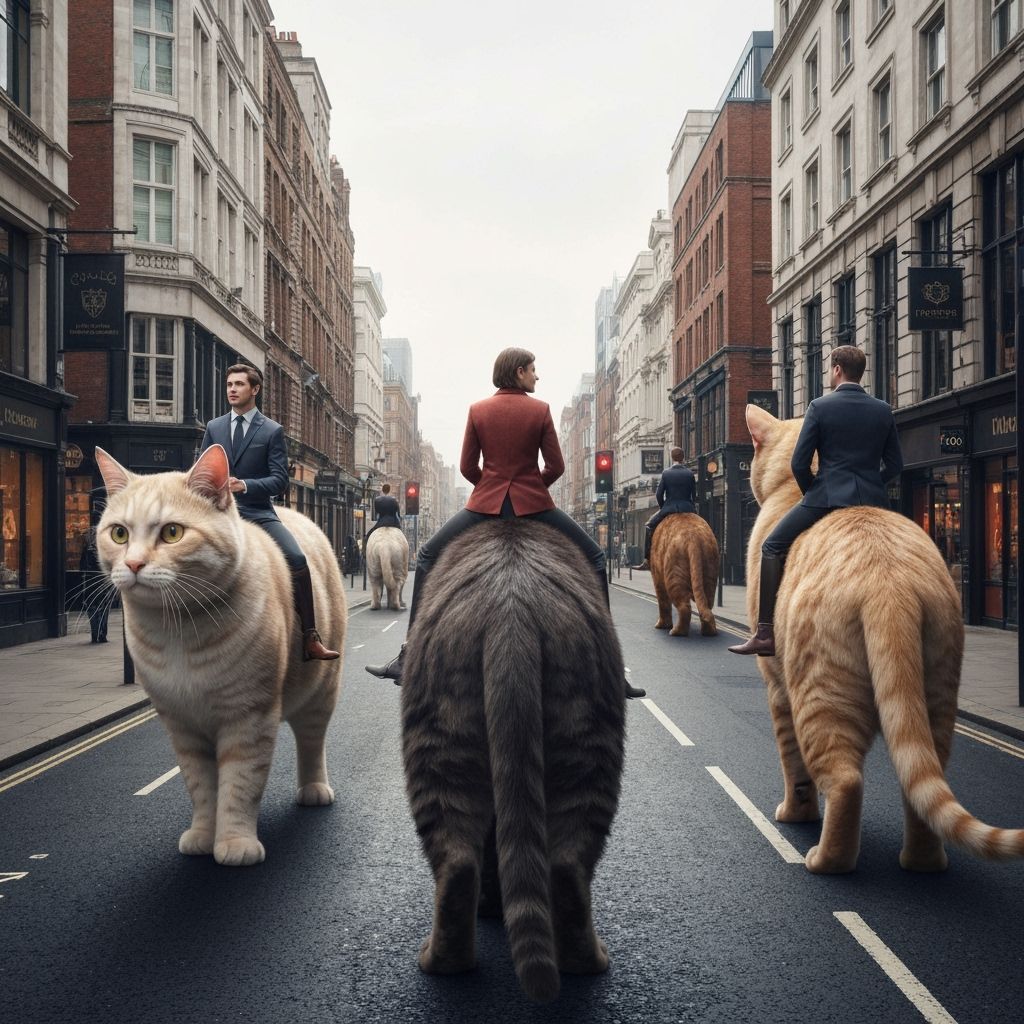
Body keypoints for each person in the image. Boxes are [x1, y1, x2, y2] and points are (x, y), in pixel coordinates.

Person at [366, 347, 646, 699]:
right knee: (596, 558)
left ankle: (408, 656)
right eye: (533, 369)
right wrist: (530, 488)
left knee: (426, 556)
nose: (537, 375)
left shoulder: (478, 410)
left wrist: (492, 487)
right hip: (534, 505)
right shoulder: (540, 410)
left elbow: (467, 467)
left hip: (486, 505)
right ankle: (610, 670)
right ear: (518, 372)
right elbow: (556, 467)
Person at [729, 344, 903, 657]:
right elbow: (895, 465)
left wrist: (815, 491)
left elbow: (799, 463)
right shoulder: (882, 409)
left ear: (837, 369)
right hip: (872, 499)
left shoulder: (820, 407)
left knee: (771, 546)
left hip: (825, 497)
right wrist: (871, 484)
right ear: (860, 372)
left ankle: (765, 633)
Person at [199, 364, 339, 661]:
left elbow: (279, 481)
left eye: (239, 384)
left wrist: (245, 485)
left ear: (255, 389)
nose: (232, 389)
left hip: (258, 511)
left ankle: (311, 637)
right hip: (218, 513)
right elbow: (200, 472)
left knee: (297, 558)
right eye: (229, 384)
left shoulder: (272, 430)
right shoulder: (214, 428)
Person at [632, 447, 697, 570]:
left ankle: (647, 561)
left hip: (669, 508)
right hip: (687, 508)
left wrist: (664, 508)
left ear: (672, 457)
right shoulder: (689, 474)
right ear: (683, 458)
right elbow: (694, 495)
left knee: (649, 526)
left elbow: (659, 494)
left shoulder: (666, 473)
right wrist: (691, 506)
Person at [79, 527, 110, 643]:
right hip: (102, 580)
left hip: (89, 581)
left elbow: (82, 567)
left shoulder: (86, 549)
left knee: (92, 607)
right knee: (104, 607)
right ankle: (102, 634)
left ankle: (94, 633)